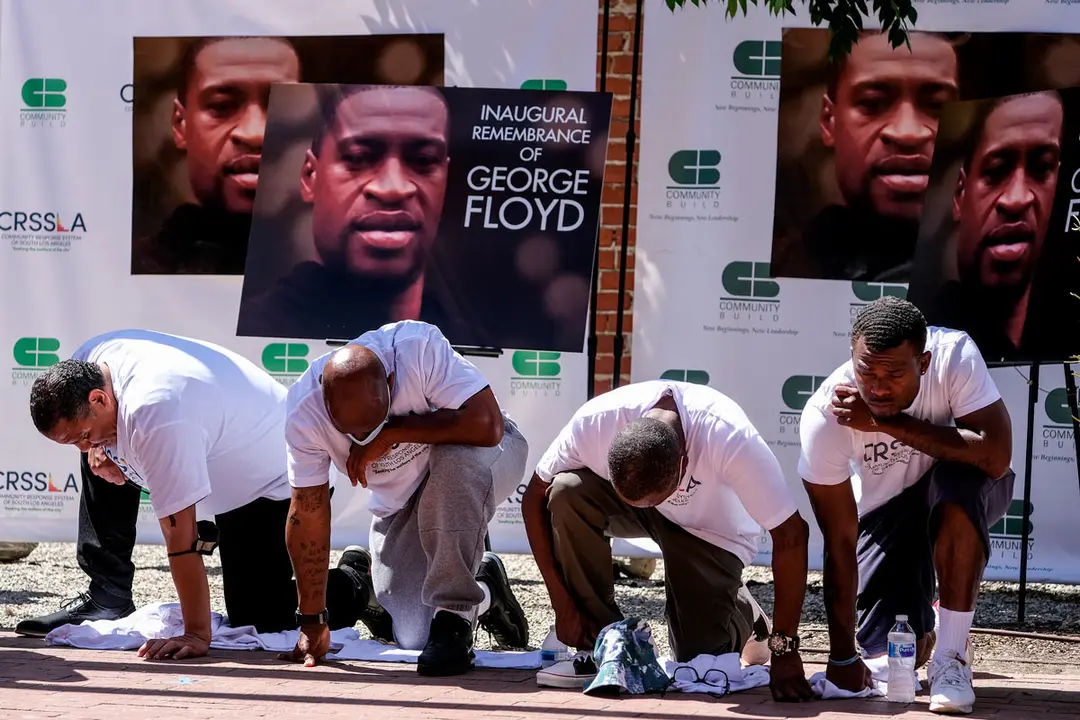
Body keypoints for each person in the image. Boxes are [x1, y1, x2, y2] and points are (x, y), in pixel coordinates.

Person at [22, 329, 376, 659]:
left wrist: (196, 634)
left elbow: (180, 537)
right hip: (214, 456)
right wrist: (95, 448)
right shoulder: (89, 361)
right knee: (102, 450)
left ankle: (358, 580)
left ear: (99, 398)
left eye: (81, 436)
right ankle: (107, 594)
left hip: (272, 483)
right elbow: (92, 430)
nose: (82, 447)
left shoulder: (155, 413)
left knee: (263, 617)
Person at [521, 379, 815, 702]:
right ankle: (607, 644)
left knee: (697, 660)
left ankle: (746, 613)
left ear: (684, 464)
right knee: (566, 492)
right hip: (641, 504)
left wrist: (784, 647)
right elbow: (533, 497)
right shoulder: (597, 423)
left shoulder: (728, 438)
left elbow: (791, 535)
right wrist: (563, 605)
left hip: (710, 532)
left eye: (653, 498)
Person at [798, 296, 1013, 715]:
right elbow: (839, 542)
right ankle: (928, 628)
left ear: (924, 362)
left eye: (894, 374)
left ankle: (951, 659)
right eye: (867, 371)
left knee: (956, 486)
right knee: (890, 654)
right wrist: (842, 656)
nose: (877, 387)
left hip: (967, 488)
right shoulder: (826, 416)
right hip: (888, 516)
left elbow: (996, 455)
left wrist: (882, 422)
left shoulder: (954, 356)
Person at [278, 319, 529, 675]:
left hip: (489, 454)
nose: (363, 438)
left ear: (392, 384)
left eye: (372, 425)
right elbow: (307, 512)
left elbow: (487, 426)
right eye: (352, 432)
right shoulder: (304, 413)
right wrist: (313, 620)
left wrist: (392, 433)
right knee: (414, 635)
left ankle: (456, 613)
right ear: (324, 400)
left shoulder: (416, 348)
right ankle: (486, 585)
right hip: (404, 504)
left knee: (454, 461)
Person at [238, 84, 481, 345]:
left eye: (423, 160)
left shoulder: (471, 344)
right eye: (358, 157)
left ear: (447, 180)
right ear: (310, 177)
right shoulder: (255, 334)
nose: (392, 189)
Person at [791, 31, 961, 281]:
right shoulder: (792, 265)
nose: (908, 133)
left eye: (936, 105)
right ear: (829, 121)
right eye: (873, 103)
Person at [132, 36, 301, 275]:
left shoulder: (348, 276)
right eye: (222, 107)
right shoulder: (134, 273)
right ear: (180, 124)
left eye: (282, 105)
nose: (254, 133)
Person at [926, 90, 1064, 362]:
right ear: (959, 195)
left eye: (1042, 168)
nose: (1016, 199)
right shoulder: (923, 340)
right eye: (996, 170)